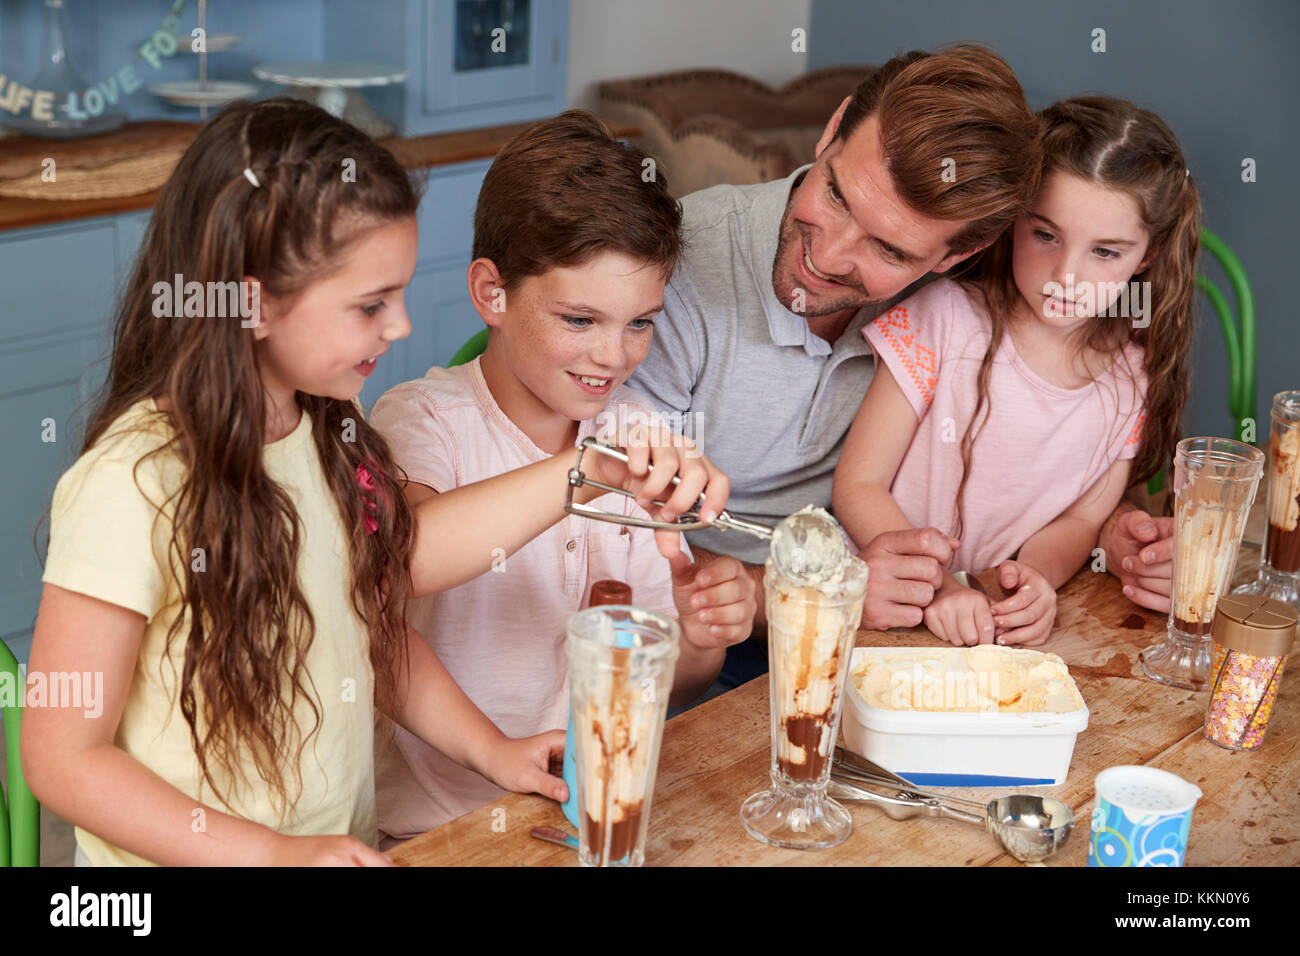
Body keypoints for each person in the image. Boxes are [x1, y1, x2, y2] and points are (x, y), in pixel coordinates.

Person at [23, 98, 722, 866]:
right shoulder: (133, 482)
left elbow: (378, 619)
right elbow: (62, 759)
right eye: (369, 306)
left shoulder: (331, 425)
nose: (401, 328)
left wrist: (493, 750)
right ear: (251, 302)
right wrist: (270, 855)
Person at [628, 46, 1177, 692]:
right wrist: (795, 591)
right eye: (836, 193)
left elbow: (1047, 436)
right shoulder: (675, 271)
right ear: (832, 130)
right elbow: (606, 528)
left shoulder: (980, 297)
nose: (826, 256)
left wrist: (1110, 533)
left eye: (888, 248)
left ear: (959, 254)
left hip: (875, 633)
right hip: (698, 636)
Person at [368, 111, 756, 843]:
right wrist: (584, 473)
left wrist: (701, 633)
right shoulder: (420, 421)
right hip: (435, 833)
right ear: (493, 293)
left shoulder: (640, 433)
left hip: (581, 818)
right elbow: (406, 557)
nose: (613, 355)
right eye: (580, 320)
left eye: (640, 322)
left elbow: (677, 687)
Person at [833, 96, 1198, 647]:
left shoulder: (1133, 379)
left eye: (1106, 252)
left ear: (1145, 257)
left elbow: (1079, 521)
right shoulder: (943, 319)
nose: (1067, 274)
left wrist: (1031, 582)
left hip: (987, 627)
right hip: (878, 615)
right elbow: (859, 485)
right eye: (1045, 235)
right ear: (1012, 222)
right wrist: (938, 588)